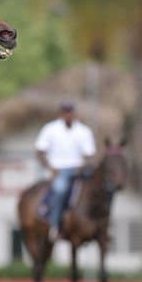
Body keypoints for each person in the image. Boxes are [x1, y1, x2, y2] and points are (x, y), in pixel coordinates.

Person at [34, 101, 96, 241]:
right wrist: (50, 168)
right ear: (61, 113)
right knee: (61, 190)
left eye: (71, 112)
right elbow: (39, 151)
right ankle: (54, 225)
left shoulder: (83, 131)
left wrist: (83, 165)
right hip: (59, 170)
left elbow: (90, 154)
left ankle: (99, 225)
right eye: (65, 112)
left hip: (78, 170)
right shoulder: (50, 129)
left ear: (74, 113)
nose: (68, 115)